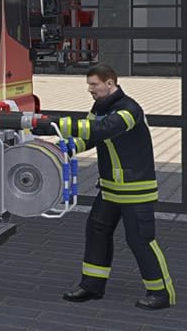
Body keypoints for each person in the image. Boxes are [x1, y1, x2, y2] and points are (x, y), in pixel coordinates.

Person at [34, 64, 176, 310]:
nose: (90, 89)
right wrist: (63, 148)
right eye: (89, 85)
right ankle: (92, 286)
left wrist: (55, 123)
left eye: (94, 84)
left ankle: (161, 292)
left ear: (110, 83)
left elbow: (103, 129)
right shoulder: (99, 108)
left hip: (135, 189)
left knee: (140, 240)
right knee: (96, 231)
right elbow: (90, 138)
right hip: (110, 188)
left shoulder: (129, 109)